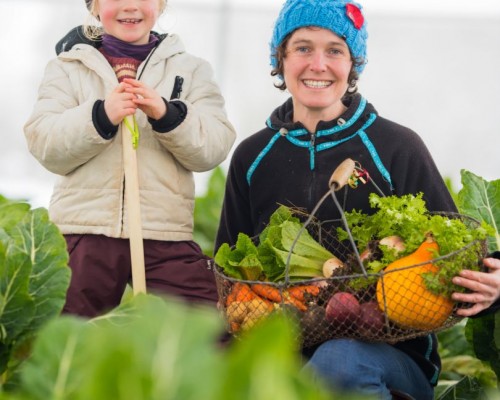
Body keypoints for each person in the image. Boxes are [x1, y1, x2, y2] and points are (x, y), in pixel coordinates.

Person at [214, 0, 500, 398]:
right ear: (280, 58)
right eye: (302, 48)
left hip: (388, 358)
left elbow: (456, 248)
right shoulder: (252, 157)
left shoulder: (395, 147)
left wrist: (493, 284)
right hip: (283, 356)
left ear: (353, 64)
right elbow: (228, 277)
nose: (318, 64)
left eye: (335, 50)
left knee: (340, 361)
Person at [24, 0, 236, 318]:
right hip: (85, 231)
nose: (130, 6)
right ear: (94, 7)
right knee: (70, 332)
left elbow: (214, 145)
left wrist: (168, 114)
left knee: (206, 326)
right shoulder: (67, 68)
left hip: (165, 234)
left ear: (162, 5)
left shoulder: (191, 70)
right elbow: (44, 142)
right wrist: (100, 116)